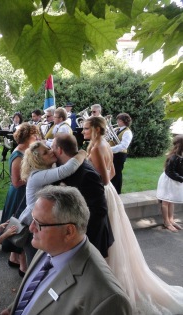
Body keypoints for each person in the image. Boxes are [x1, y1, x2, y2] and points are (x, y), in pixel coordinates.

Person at [83, 117, 183, 314]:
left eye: (86, 128)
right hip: (109, 191)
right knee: (114, 236)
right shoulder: (104, 143)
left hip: (102, 193)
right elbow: (111, 173)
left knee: (108, 237)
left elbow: (103, 178)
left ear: (95, 129)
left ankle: (108, 286)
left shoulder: (96, 148)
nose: (82, 130)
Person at [1, 185, 132, 315]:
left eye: (39, 223)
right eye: (33, 219)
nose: (31, 228)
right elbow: (37, 293)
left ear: (69, 231)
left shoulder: (109, 300)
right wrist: (13, 309)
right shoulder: (50, 246)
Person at [19, 140, 86, 264]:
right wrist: (82, 153)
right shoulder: (37, 176)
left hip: (42, 220)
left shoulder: (46, 170)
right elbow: (66, 170)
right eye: (45, 152)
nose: (51, 152)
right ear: (37, 160)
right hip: (34, 222)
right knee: (35, 261)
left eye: (49, 148)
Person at [51, 133, 114, 258]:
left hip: (89, 238)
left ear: (59, 150)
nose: (50, 150)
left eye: (52, 147)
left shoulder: (87, 174)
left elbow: (99, 211)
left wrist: (78, 236)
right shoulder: (63, 168)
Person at [1, 123, 39, 275]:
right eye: (34, 136)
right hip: (19, 195)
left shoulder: (26, 152)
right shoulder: (18, 155)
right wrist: (35, 176)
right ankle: (24, 266)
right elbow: (16, 182)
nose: (36, 138)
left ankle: (13, 258)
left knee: (18, 226)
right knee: (22, 229)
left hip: (24, 193)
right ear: (27, 137)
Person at [157, 135, 183, 231]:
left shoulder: (180, 156)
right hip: (168, 181)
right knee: (166, 201)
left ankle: (171, 220)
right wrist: (181, 178)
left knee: (171, 201)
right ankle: (166, 222)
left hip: (174, 180)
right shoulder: (173, 157)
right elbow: (170, 172)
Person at [110, 113, 133, 194]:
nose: (117, 121)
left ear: (124, 121)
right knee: (112, 172)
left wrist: (109, 149)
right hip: (113, 154)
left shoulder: (127, 132)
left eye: (119, 120)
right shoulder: (116, 129)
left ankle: (117, 191)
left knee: (117, 173)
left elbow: (123, 146)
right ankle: (112, 190)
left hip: (120, 155)